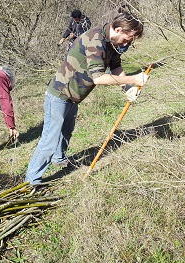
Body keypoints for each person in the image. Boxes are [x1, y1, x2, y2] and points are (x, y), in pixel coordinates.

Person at [25, 12, 149, 185]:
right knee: (49, 141)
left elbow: (115, 66)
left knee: (66, 131)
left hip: (74, 96)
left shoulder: (112, 43)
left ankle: (59, 159)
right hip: (60, 94)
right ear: (118, 29)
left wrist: (127, 88)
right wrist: (134, 79)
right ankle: (32, 180)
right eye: (127, 39)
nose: (127, 43)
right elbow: (99, 78)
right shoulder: (95, 39)